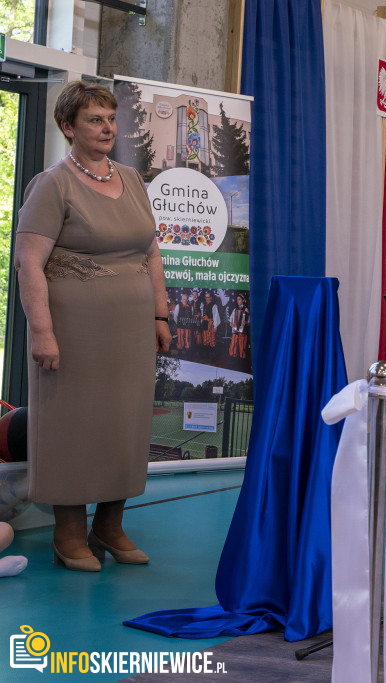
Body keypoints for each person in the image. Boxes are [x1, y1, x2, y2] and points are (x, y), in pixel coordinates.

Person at [14, 81, 171, 572]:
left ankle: (110, 525)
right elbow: (28, 264)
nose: (107, 127)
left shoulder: (131, 178)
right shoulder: (52, 184)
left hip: (130, 330)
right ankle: (69, 533)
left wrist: (161, 313)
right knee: (73, 427)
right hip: (73, 331)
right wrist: (42, 332)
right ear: (68, 128)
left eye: (110, 118)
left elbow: (150, 251)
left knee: (124, 425)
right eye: (94, 120)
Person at [229, 294, 250, 359]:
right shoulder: (235, 309)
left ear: (243, 300)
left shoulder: (246, 309)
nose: (237, 301)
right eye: (237, 300)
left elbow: (249, 320)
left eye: (239, 299)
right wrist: (231, 323)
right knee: (233, 343)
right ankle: (233, 356)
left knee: (242, 345)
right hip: (235, 330)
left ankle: (242, 357)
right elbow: (231, 318)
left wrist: (246, 322)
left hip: (242, 330)